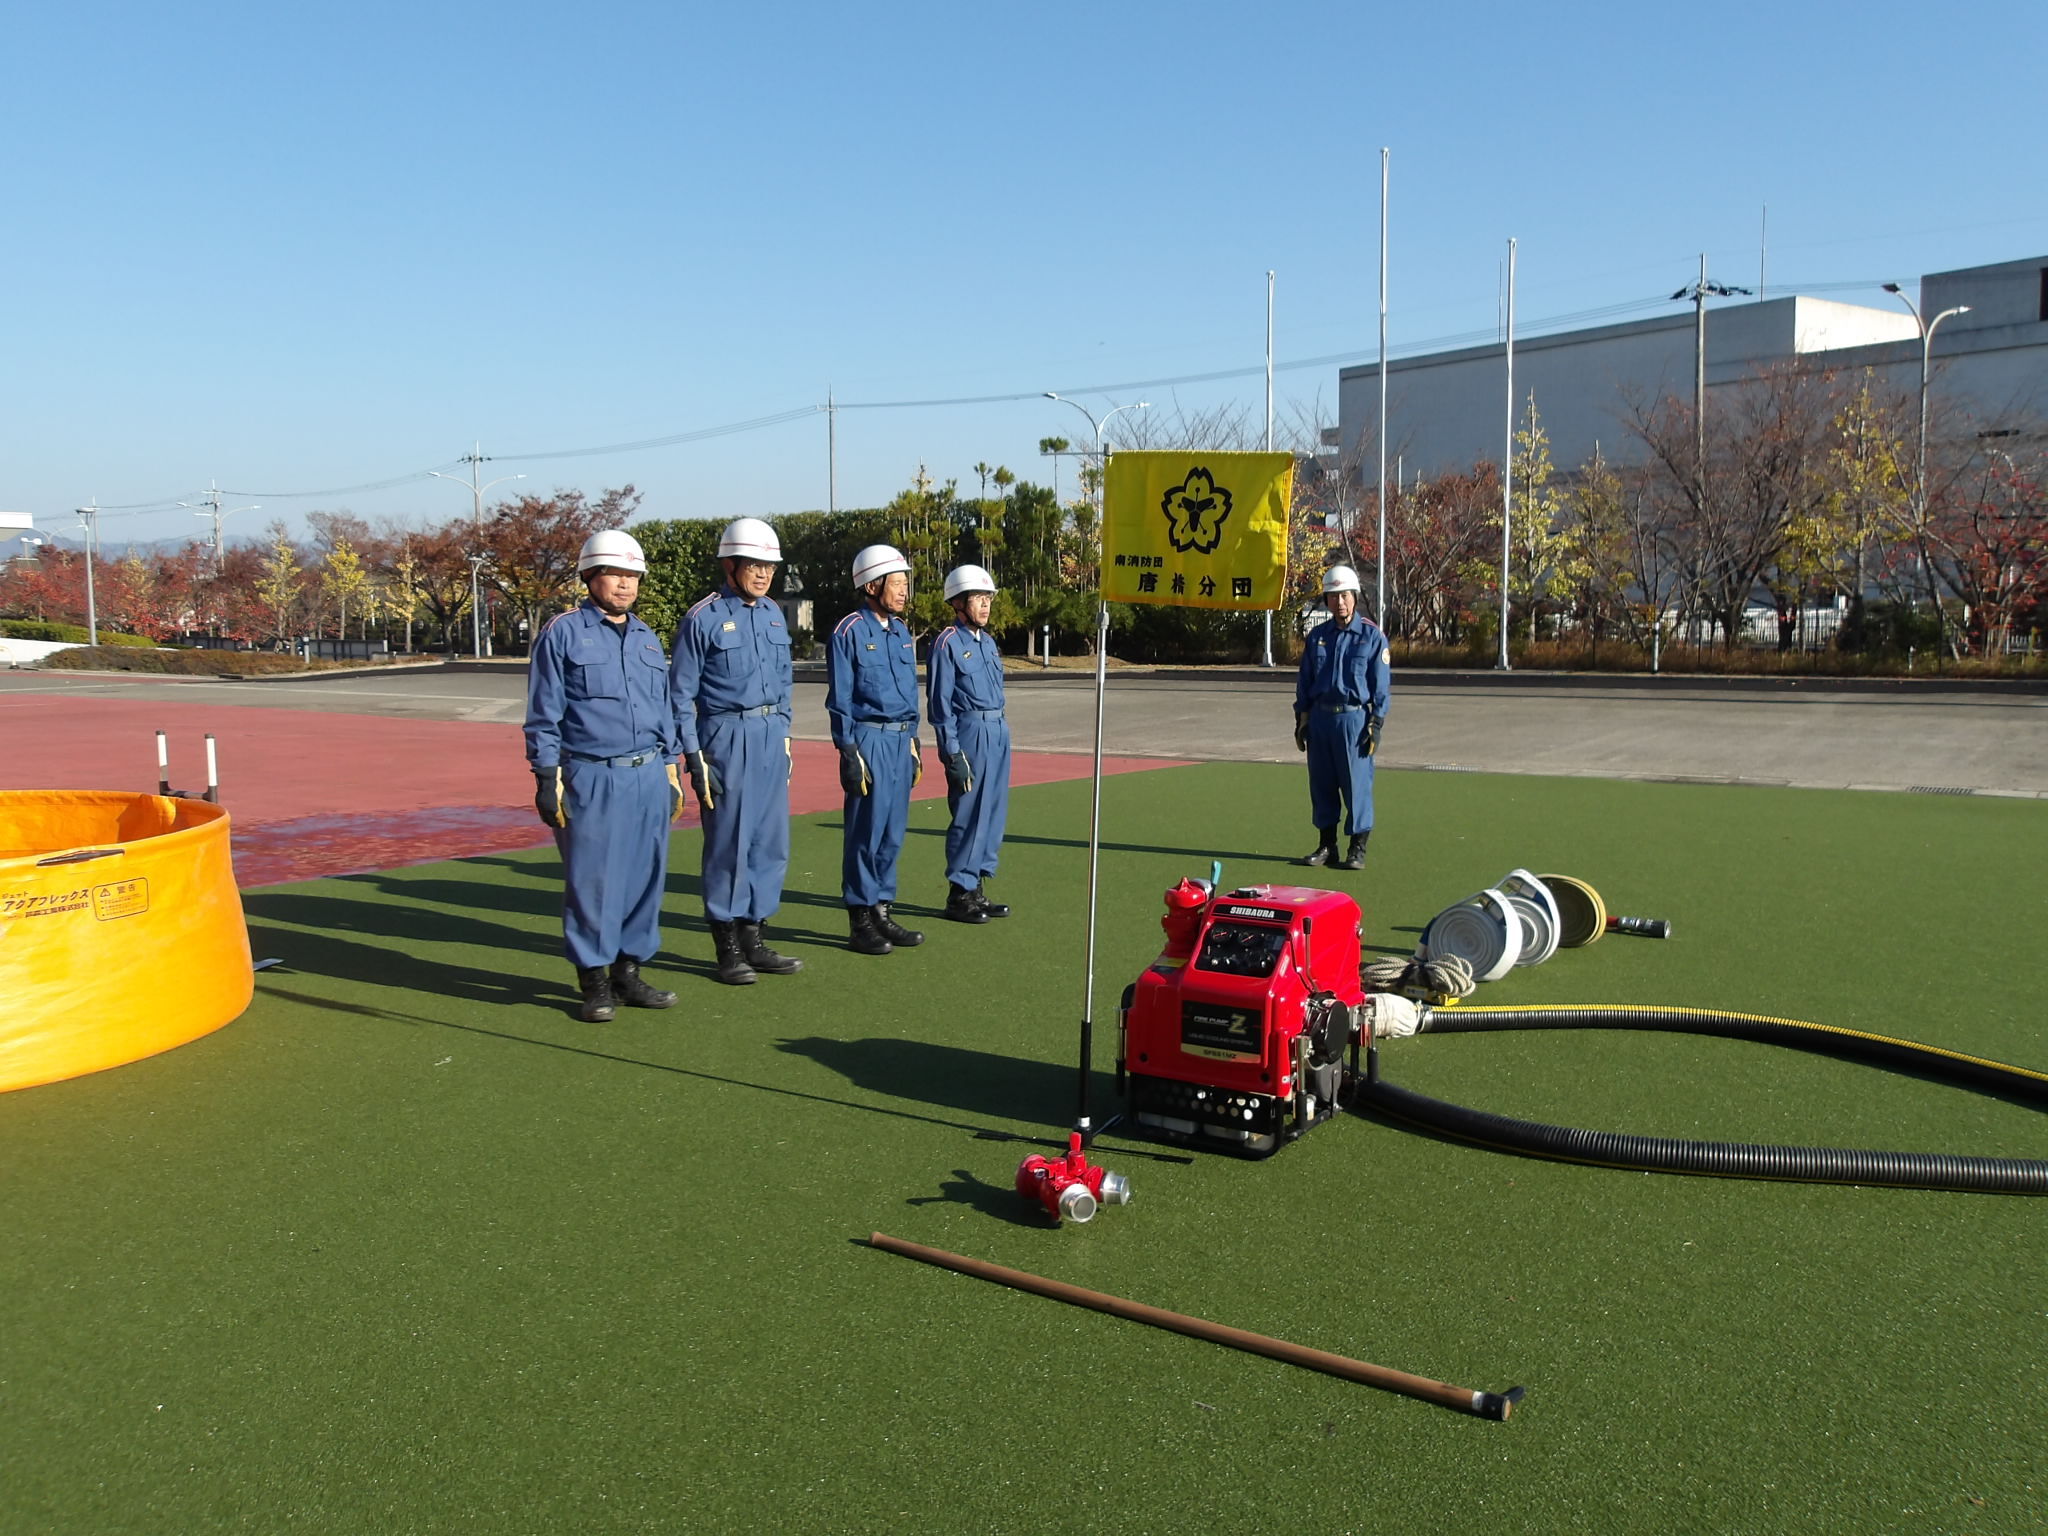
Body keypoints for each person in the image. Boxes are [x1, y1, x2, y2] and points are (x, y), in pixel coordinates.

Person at [525, 528, 684, 1021]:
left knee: (644, 876)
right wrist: (546, 775)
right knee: (593, 880)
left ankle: (629, 971)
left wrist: (672, 767)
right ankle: (593, 981)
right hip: (591, 774)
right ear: (591, 576)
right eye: (615, 574)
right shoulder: (564, 632)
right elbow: (544, 711)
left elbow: (663, 709)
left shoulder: (646, 636)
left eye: (632, 575)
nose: (625, 584)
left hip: (648, 773)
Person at [668, 517, 802, 986]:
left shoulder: (770, 613)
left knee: (770, 842)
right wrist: (693, 756)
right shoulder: (701, 617)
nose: (764, 574)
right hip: (725, 735)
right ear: (730, 564)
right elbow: (680, 695)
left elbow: (784, 682)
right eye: (754, 564)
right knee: (729, 843)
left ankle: (755, 936)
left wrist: (784, 733)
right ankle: (726, 946)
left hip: (769, 735)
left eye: (769, 565)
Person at [825, 544, 926, 955]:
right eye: (896, 583)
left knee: (892, 831)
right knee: (865, 832)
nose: (903, 591)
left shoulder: (901, 632)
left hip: (902, 739)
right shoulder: (848, 631)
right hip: (869, 739)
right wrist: (848, 751)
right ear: (872, 584)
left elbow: (910, 694)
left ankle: (883, 909)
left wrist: (915, 739)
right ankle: (860, 918)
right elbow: (841, 698)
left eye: (905, 583)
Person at [926, 563, 1012, 923]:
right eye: (978, 598)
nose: (985, 605)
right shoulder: (947, 643)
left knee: (992, 810)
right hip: (970, 732)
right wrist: (951, 750)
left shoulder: (988, 643)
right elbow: (939, 703)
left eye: (987, 598)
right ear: (958, 603)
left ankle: (977, 885)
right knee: (968, 812)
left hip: (998, 729)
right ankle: (959, 893)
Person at [1293, 563, 1391, 870]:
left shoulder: (1372, 637)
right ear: (1326, 600)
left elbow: (1380, 684)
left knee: (1356, 784)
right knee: (1322, 785)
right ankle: (1327, 846)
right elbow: (1305, 680)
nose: (1340, 602)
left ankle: (1357, 849)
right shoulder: (1318, 637)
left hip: (1354, 720)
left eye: (1345, 595)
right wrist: (1302, 718)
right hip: (1321, 719)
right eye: (1334, 596)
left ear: (1355, 597)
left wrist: (1376, 722)